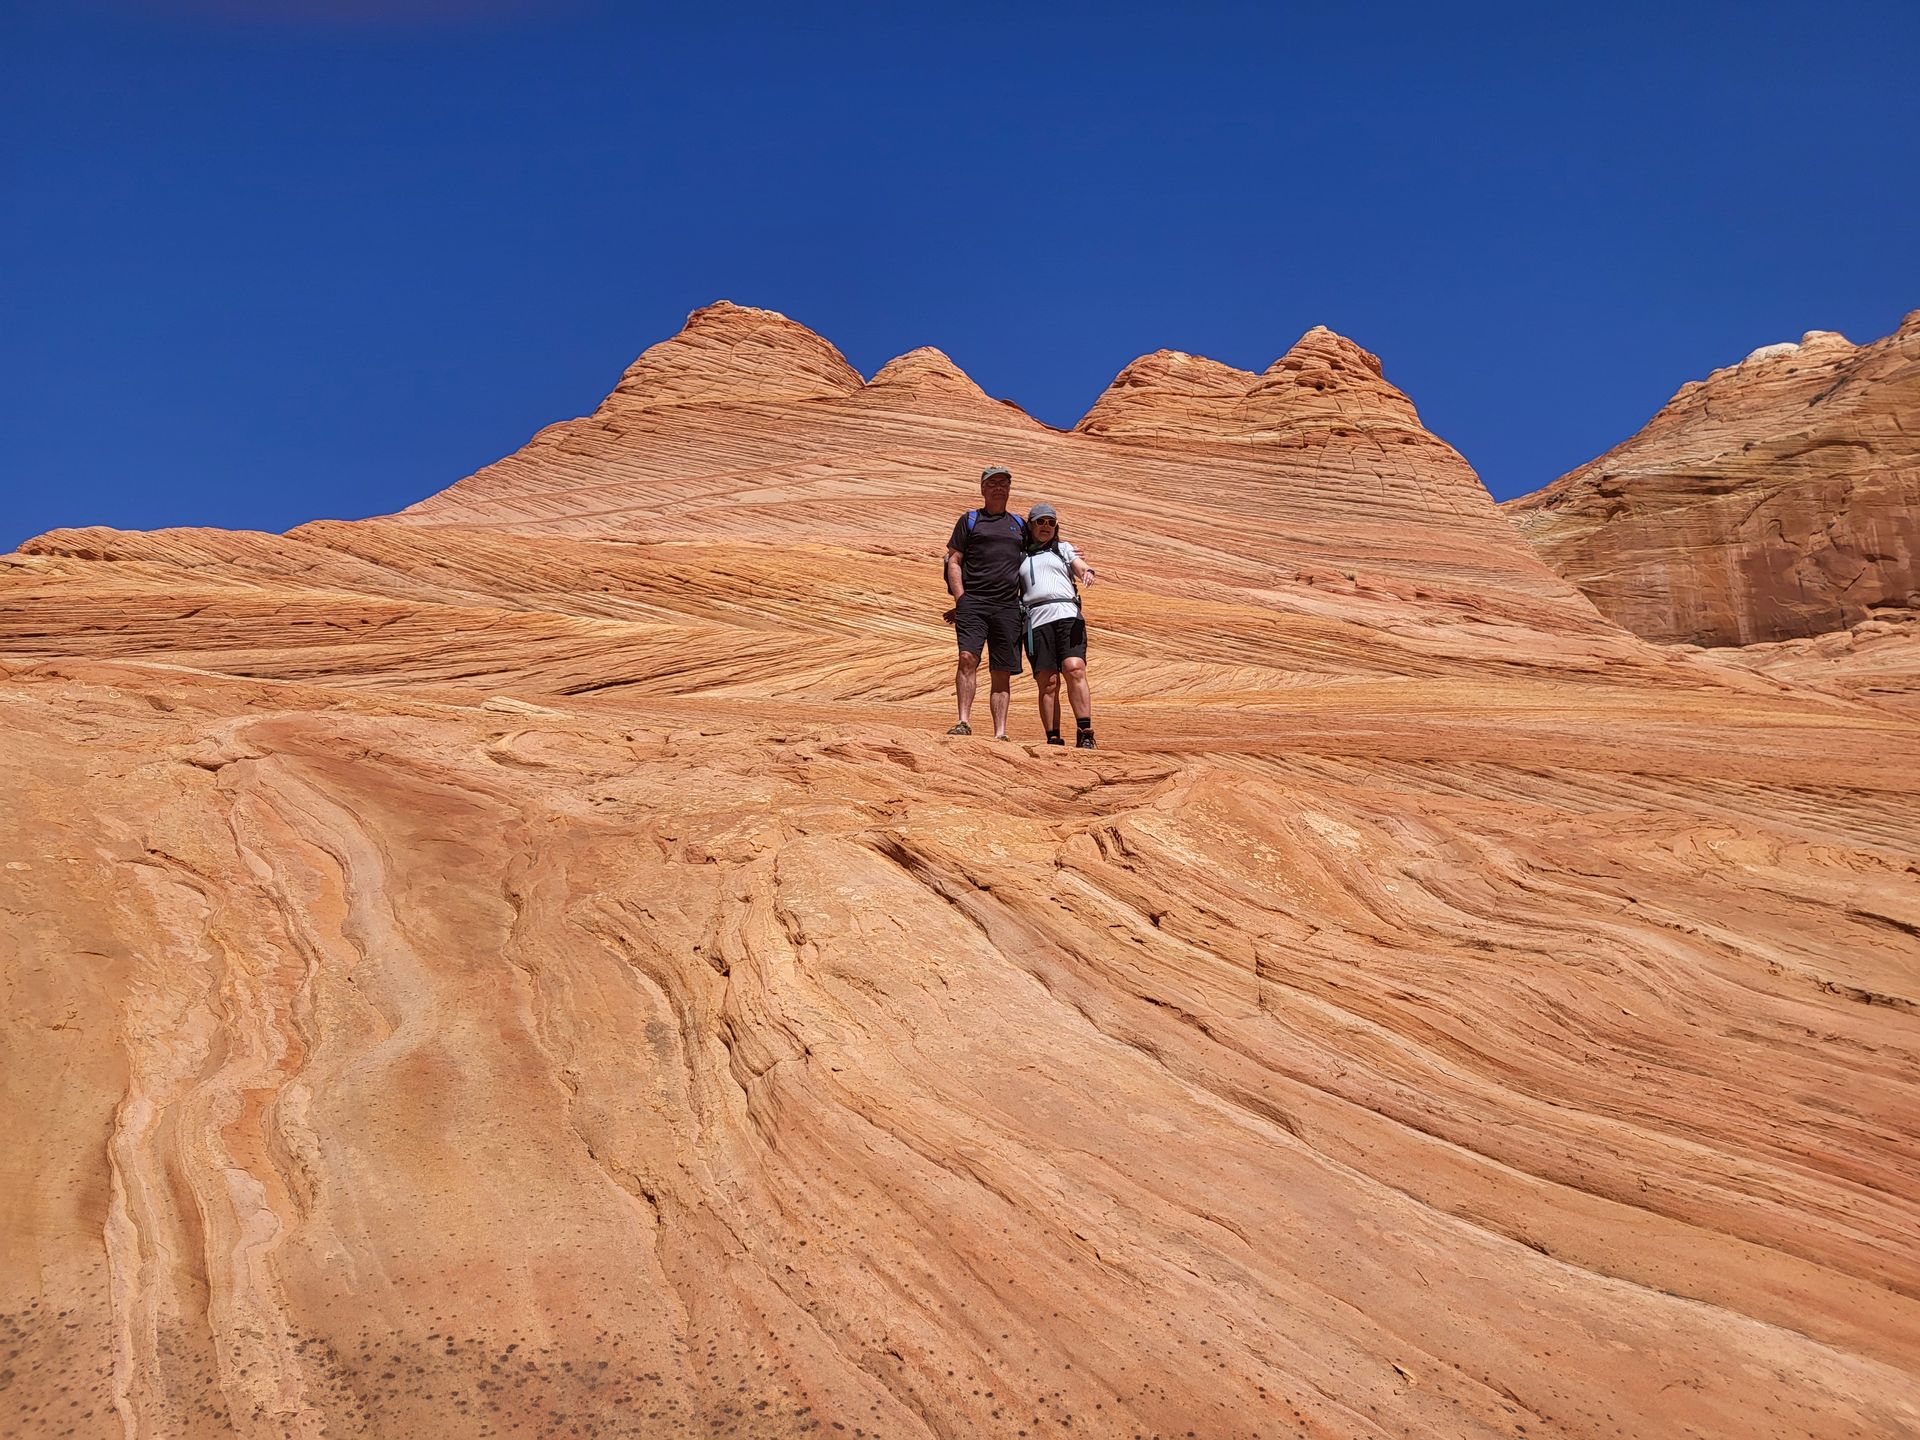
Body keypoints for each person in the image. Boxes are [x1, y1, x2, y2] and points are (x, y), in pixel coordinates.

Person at [942, 464, 1026, 738]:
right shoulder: (969, 520)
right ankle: (963, 721)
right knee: (967, 658)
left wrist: (1073, 556)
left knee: (1001, 670)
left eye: (1003, 483)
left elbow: (1039, 553)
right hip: (974, 602)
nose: (999, 487)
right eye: (993, 483)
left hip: (1007, 606)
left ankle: (1000, 733)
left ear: (1009, 489)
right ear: (983, 489)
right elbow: (954, 561)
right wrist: (961, 598)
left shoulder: (1019, 524)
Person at [1018, 502, 1098, 748]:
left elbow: (1079, 564)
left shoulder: (1062, 548)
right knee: (1048, 681)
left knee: (1074, 668)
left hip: (1067, 615)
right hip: (1036, 620)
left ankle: (1085, 733)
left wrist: (1087, 571)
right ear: (1030, 525)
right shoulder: (1018, 555)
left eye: (1050, 523)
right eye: (1040, 522)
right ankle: (1053, 737)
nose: (1046, 526)